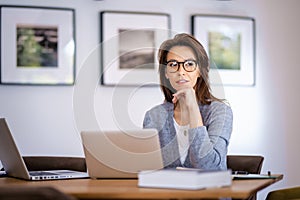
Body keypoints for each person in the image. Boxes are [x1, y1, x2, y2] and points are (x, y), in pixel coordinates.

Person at [143, 33, 233, 170]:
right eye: (173, 65)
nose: (181, 71)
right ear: (166, 72)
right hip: (164, 191)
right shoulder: (154, 116)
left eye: (189, 64)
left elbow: (209, 167)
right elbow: (147, 168)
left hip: (209, 190)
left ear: (200, 71)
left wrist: (192, 107)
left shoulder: (220, 112)